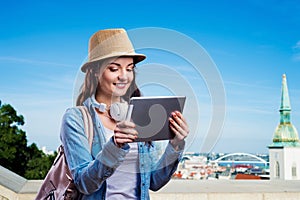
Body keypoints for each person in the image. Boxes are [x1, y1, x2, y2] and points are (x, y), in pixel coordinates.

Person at [60, 28, 189, 200]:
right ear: (95, 72)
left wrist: (175, 145)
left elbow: (154, 182)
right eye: (114, 69)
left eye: (129, 69)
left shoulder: (138, 114)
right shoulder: (75, 119)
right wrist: (115, 146)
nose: (124, 77)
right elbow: (84, 183)